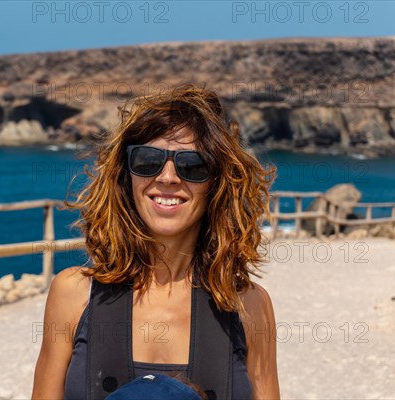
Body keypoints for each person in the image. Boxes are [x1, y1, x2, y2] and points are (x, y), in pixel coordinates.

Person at [32, 84, 280, 399]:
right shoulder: (73, 294)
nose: (167, 177)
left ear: (217, 184)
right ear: (126, 176)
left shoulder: (249, 305)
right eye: (148, 160)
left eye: (192, 165)